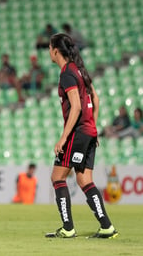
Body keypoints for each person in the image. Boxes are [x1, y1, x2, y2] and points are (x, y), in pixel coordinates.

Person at [45, 33, 118, 238]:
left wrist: (63, 137)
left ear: (56, 51)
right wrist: (92, 127)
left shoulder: (67, 73)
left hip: (77, 133)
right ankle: (106, 227)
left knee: (57, 177)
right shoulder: (80, 70)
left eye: (50, 48)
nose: (49, 52)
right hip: (89, 132)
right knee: (85, 180)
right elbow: (96, 97)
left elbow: (76, 107)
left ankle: (67, 228)